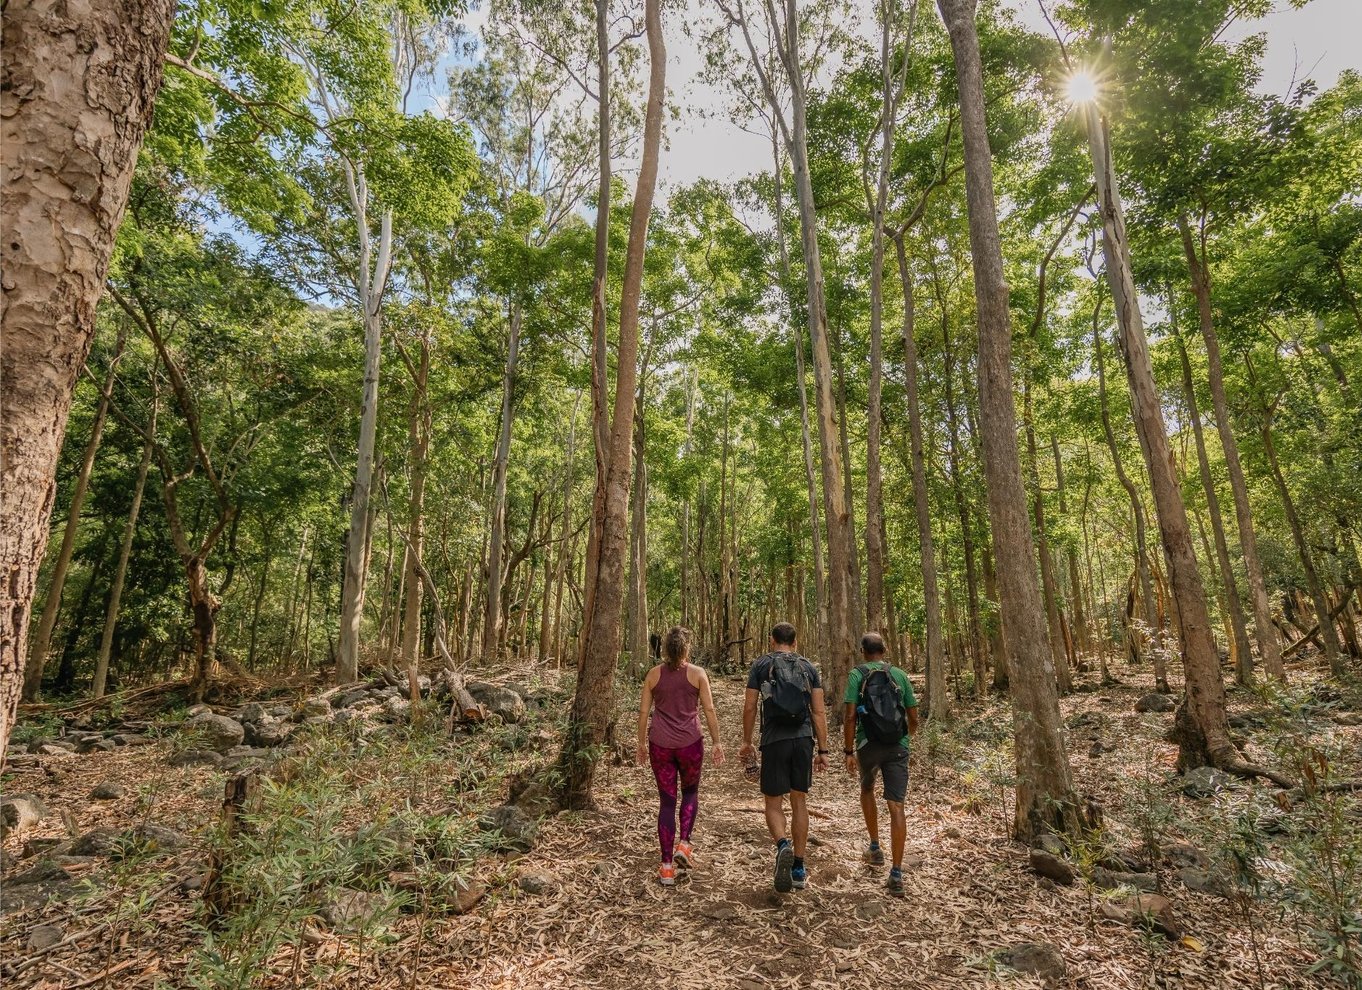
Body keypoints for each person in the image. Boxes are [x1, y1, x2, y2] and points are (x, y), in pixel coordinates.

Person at [738, 622, 830, 893]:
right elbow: (818, 712)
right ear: (796, 641)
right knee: (799, 800)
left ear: (772, 640)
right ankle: (799, 867)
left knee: (773, 802)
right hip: (803, 739)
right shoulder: (808, 668)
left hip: (774, 739)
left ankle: (782, 845)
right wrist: (822, 750)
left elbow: (750, 706)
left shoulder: (760, 665)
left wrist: (747, 741)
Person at [636, 626, 725, 886]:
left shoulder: (653, 675)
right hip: (690, 745)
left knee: (666, 802)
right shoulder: (698, 674)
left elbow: (643, 713)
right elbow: (708, 709)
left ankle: (666, 868)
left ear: (665, 648)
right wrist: (717, 741)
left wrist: (641, 743)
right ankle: (684, 844)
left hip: (660, 745)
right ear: (687, 648)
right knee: (690, 793)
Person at [842, 632, 919, 897]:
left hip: (868, 745)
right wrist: (906, 738)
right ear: (884, 650)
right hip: (898, 746)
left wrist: (848, 750)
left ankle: (875, 848)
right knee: (897, 805)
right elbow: (913, 714)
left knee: (867, 789)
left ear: (862, 651)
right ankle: (896, 873)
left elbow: (850, 716)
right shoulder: (899, 675)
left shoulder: (856, 675)